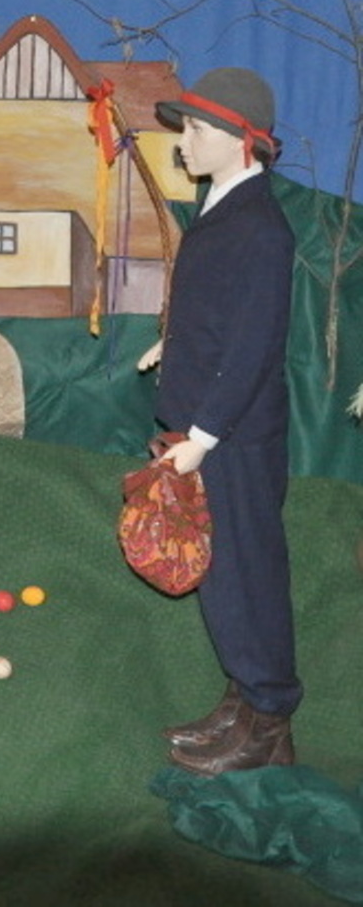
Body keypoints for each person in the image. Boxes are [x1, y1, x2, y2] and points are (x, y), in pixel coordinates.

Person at [137, 67, 299, 776]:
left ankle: (269, 722)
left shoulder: (261, 228)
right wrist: (172, 347)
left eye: (196, 129)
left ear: (240, 139)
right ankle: (243, 703)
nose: (183, 141)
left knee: (246, 574)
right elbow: (219, 316)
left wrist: (202, 438)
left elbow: (253, 344)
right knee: (222, 576)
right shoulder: (224, 207)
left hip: (230, 438)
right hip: (208, 426)